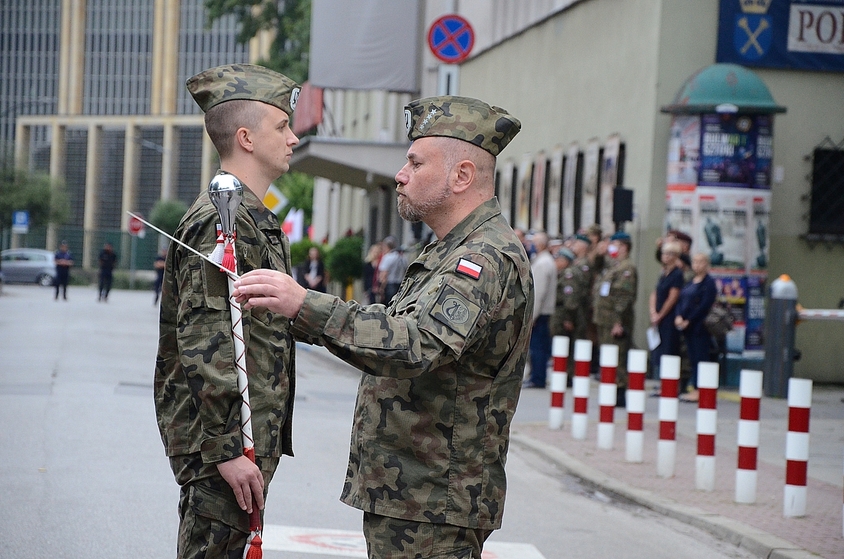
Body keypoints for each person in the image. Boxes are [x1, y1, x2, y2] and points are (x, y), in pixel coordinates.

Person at [232, 95, 532, 559]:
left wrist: (304, 305)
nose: (400, 174)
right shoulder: (445, 251)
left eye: (415, 162)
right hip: (414, 494)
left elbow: (414, 346)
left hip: (436, 501)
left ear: (462, 176)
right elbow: (391, 328)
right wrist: (295, 313)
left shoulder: (482, 259)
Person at [154, 63, 300, 559]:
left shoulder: (249, 216)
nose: (294, 138)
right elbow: (205, 341)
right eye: (282, 127)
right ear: (246, 138)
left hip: (243, 439)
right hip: (226, 449)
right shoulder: (222, 221)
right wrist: (226, 450)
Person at [593, 231, 638, 406]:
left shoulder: (626, 268)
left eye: (614, 244)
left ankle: (619, 393)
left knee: (617, 357)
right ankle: (611, 388)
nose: (611, 248)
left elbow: (623, 297)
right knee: (608, 356)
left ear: (624, 247)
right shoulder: (614, 266)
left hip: (615, 321)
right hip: (605, 319)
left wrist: (618, 321)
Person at [674, 253, 718, 402]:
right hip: (686, 326)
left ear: (706, 264)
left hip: (700, 326)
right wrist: (679, 316)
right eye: (695, 262)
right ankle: (695, 388)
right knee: (692, 358)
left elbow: (704, 306)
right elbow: (681, 299)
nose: (697, 265)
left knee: (701, 357)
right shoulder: (690, 281)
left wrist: (689, 320)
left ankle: (701, 389)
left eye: (701, 262)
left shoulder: (709, 283)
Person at [551, 235, 592, 378]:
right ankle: (564, 373)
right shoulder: (564, 273)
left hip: (565, 313)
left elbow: (571, 298)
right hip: (562, 312)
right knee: (562, 346)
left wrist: (568, 318)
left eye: (558, 259)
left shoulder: (569, 274)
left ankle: (567, 374)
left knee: (567, 345)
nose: (555, 262)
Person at [525, 231, 556, 388]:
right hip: (543, 312)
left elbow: (539, 292)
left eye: (535, 242)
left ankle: (538, 377)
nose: (532, 245)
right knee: (538, 346)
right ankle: (536, 375)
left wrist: (532, 316)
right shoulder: (543, 260)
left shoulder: (543, 263)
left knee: (538, 348)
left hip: (541, 313)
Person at [648, 241, 683, 377]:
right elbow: (655, 293)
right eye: (664, 253)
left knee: (668, 350)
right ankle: (662, 380)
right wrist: (653, 312)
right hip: (658, 317)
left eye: (670, 254)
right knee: (659, 351)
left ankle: (669, 382)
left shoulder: (677, 274)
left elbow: (672, 297)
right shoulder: (663, 272)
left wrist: (660, 314)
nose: (666, 257)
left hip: (668, 317)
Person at [377, 235, 407, 304]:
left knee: (388, 304)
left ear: (386, 246)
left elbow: (384, 274)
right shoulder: (402, 257)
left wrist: (381, 288)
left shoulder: (387, 257)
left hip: (389, 285)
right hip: (400, 284)